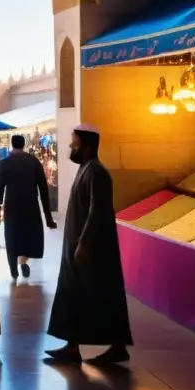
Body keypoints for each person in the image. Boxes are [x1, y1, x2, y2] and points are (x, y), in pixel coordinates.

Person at [46, 124, 133, 365]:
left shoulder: (96, 172)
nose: (71, 147)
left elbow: (98, 211)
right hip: (77, 246)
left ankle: (117, 346)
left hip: (91, 249)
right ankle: (72, 345)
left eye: (74, 143)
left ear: (88, 146)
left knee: (102, 294)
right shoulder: (86, 169)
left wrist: (84, 242)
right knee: (74, 294)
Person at [0, 134, 56, 280]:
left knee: (12, 237)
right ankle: (23, 262)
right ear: (24, 144)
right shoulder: (34, 162)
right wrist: (49, 219)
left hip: (12, 207)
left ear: (12, 144)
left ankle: (13, 269)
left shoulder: (4, 163)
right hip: (30, 207)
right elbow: (43, 191)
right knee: (27, 237)